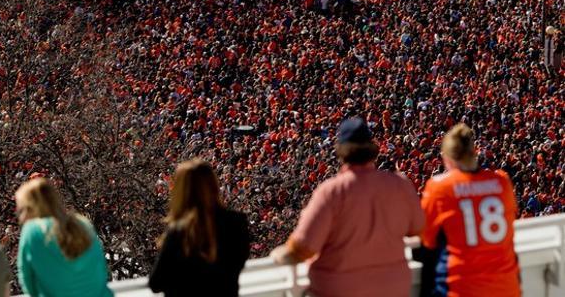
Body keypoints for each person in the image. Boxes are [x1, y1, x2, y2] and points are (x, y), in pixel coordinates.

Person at [271, 117, 425, 297]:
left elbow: (302, 248)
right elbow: (419, 227)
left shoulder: (332, 192)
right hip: (393, 287)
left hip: (339, 289)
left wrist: (278, 254)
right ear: (373, 149)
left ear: (341, 151)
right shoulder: (400, 184)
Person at [418, 124, 521, 297]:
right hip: (507, 288)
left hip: (462, 289)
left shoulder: (439, 187)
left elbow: (427, 240)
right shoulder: (502, 181)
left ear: (447, 158)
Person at [149, 158, 250, 296]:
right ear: (214, 185)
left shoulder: (179, 231)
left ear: (181, 191)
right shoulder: (237, 222)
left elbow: (156, 283)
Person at [15, 178, 113, 297]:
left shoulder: (32, 231)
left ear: (29, 208)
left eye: (21, 210)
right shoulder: (82, 223)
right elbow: (100, 269)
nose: (19, 217)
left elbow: (27, 280)